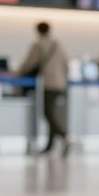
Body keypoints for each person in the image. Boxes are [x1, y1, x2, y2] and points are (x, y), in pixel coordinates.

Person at [16, 22, 70, 157]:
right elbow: (66, 64)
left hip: (49, 84)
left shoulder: (38, 45)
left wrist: (17, 73)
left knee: (47, 113)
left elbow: (29, 63)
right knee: (51, 112)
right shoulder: (58, 45)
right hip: (60, 83)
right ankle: (49, 146)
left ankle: (64, 136)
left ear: (38, 31)